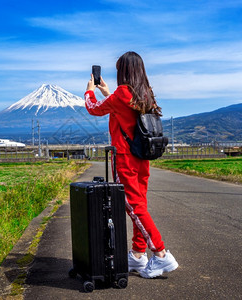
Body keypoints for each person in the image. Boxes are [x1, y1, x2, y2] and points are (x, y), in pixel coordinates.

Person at [84, 51, 179, 278]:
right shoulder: (146, 94)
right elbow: (121, 106)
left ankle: (161, 254)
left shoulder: (121, 94)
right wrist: (106, 91)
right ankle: (138, 255)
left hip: (125, 158)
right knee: (140, 205)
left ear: (122, 71)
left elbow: (93, 107)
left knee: (134, 207)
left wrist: (89, 89)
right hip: (142, 158)